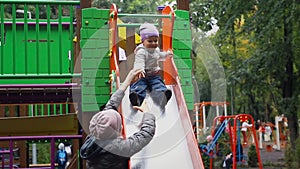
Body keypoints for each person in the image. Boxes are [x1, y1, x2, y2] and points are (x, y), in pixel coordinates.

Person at [80, 69, 156, 169]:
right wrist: (148, 113)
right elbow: (146, 134)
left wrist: (126, 82)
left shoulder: (92, 139)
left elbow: (110, 106)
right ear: (116, 130)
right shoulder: (118, 148)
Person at [129, 23, 173, 109]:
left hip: (154, 76)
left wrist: (167, 54)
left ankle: (162, 97)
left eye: (155, 41)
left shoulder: (156, 50)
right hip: (142, 76)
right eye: (150, 41)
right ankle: (137, 98)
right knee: (139, 86)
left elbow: (159, 55)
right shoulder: (141, 51)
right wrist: (140, 69)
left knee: (158, 85)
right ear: (143, 41)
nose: (153, 43)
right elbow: (139, 61)